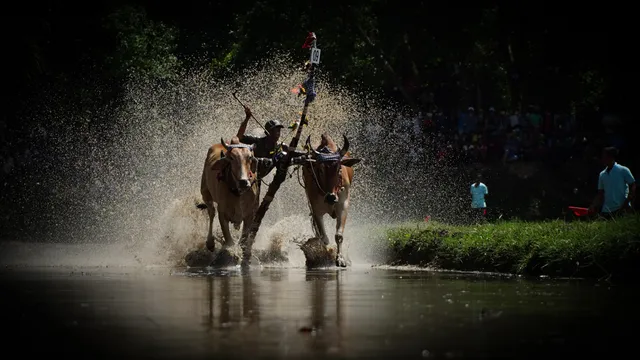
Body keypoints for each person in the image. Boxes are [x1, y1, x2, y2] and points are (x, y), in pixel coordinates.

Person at [236, 106, 286, 179]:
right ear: (268, 132)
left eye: (279, 130)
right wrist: (247, 118)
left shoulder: (281, 148)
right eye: (275, 130)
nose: (278, 133)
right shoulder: (257, 141)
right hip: (249, 175)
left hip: (259, 177)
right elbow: (239, 137)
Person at [589, 147, 636, 217]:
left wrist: (627, 201)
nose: (603, 159)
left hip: (621, 209)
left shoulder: (623, 170)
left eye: (604, 157)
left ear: (610, 157)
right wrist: (593, 205)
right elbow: (600, 194)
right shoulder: (602, 174)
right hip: (606, 211)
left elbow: (633, 185)